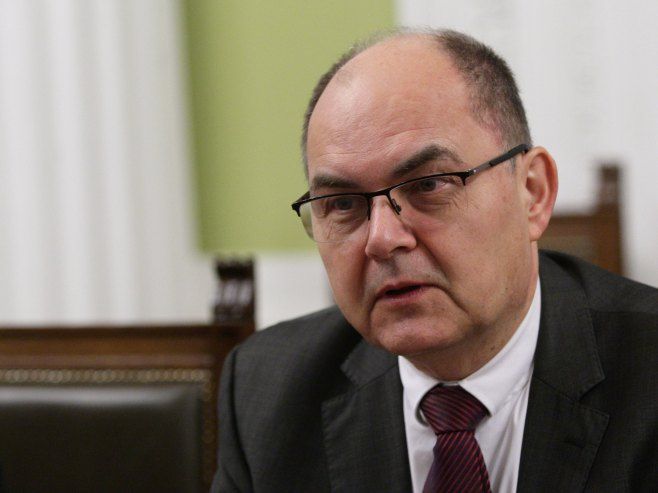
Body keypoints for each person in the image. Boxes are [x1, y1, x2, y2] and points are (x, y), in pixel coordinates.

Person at [212, 29, 658, 492]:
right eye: (342, 204)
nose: (381, 239)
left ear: (532, 192)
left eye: (428, 185)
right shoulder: (267, 392)